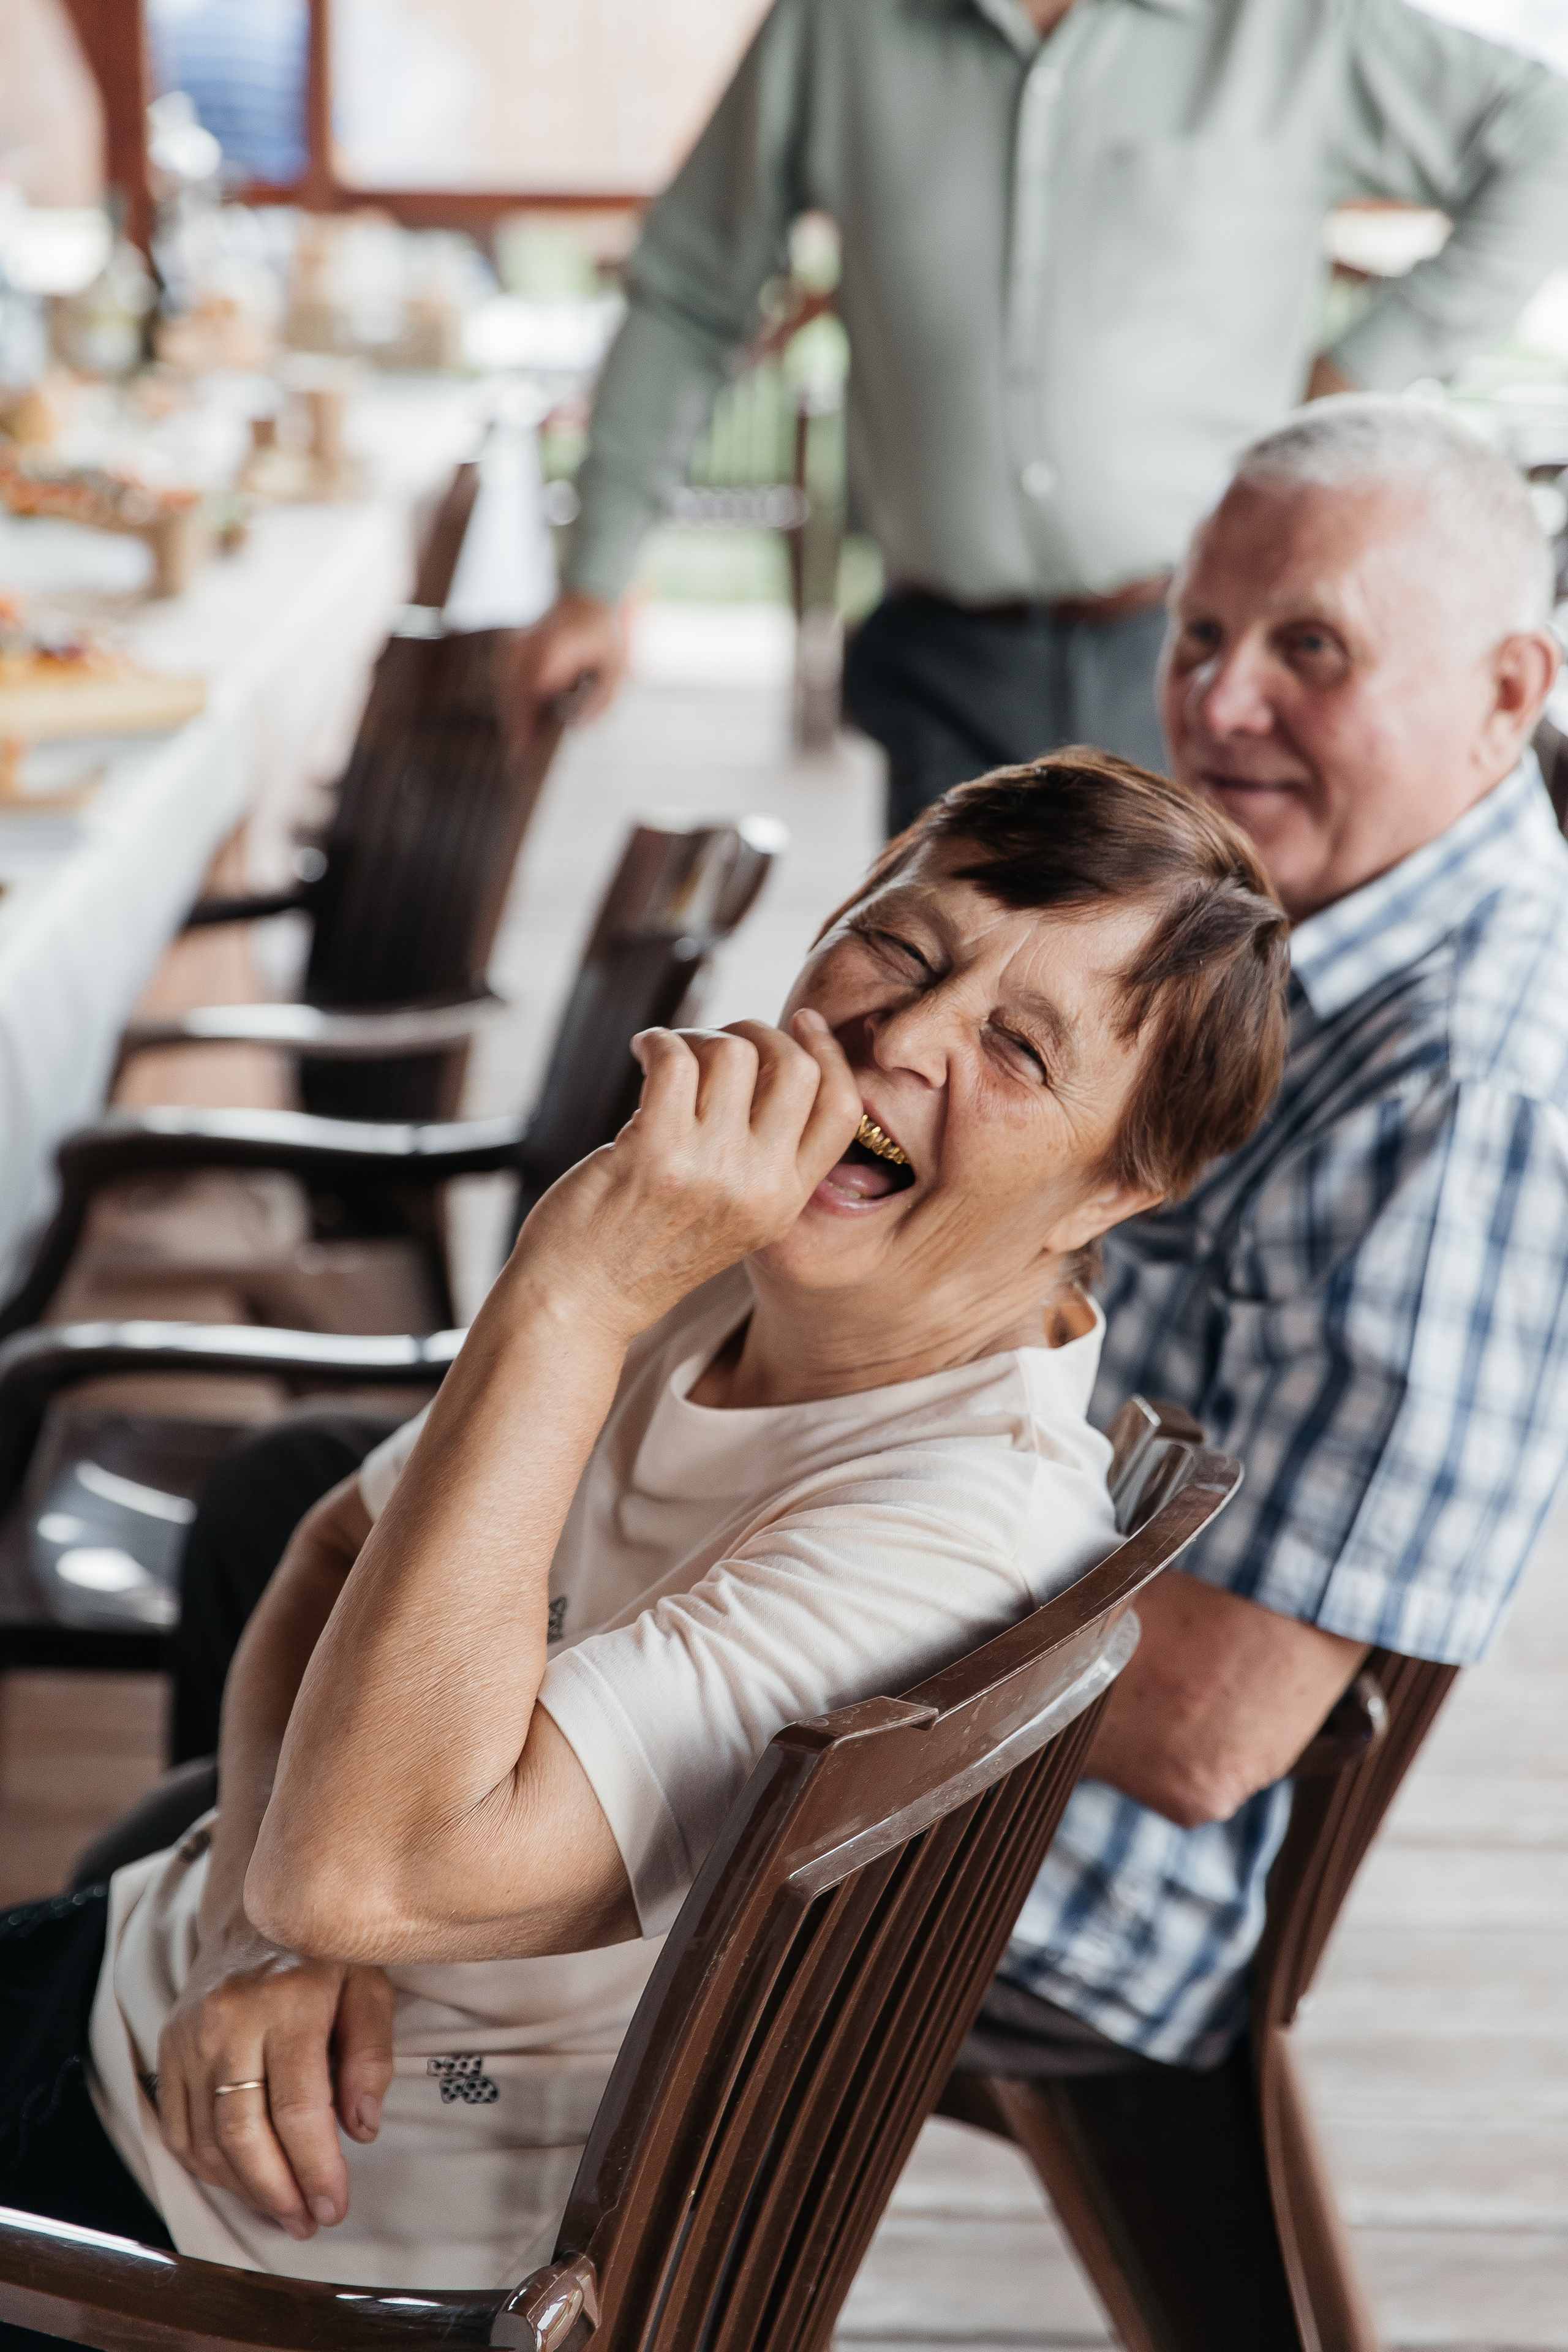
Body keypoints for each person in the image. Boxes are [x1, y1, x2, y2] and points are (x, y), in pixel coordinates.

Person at [0, 756, 1291, 2302]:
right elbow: (337, 1554)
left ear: (1122, 1183)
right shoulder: (741, 1259)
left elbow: (364, 1873)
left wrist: (571, 1289)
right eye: (900, 948)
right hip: (169, 2012)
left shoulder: (945, 1531)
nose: (903, 1039)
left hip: (265, 2236)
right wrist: (252, 1938)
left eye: (1020, 1049)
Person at [965, 398, 1568, 2137]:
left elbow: (1208, 1736)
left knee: (256, 1840)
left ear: (1509, 694)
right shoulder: (1279, 944)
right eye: (1203, 635)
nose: (1221, 706)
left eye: (1312, 649)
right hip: (927, 1720)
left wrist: (807, 1519)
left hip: (1042, 1860)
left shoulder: (1469, 1097)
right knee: (319, 1542)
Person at [508, 0, 1568, 833]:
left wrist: (1353, 375)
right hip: (948, 667)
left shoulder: (1290, 21)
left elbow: (1546, 137)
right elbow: (691, 294)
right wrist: (593, 580)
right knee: (937, 1065)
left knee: (1202, 1059)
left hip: (1208, 668)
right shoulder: (836, 21)